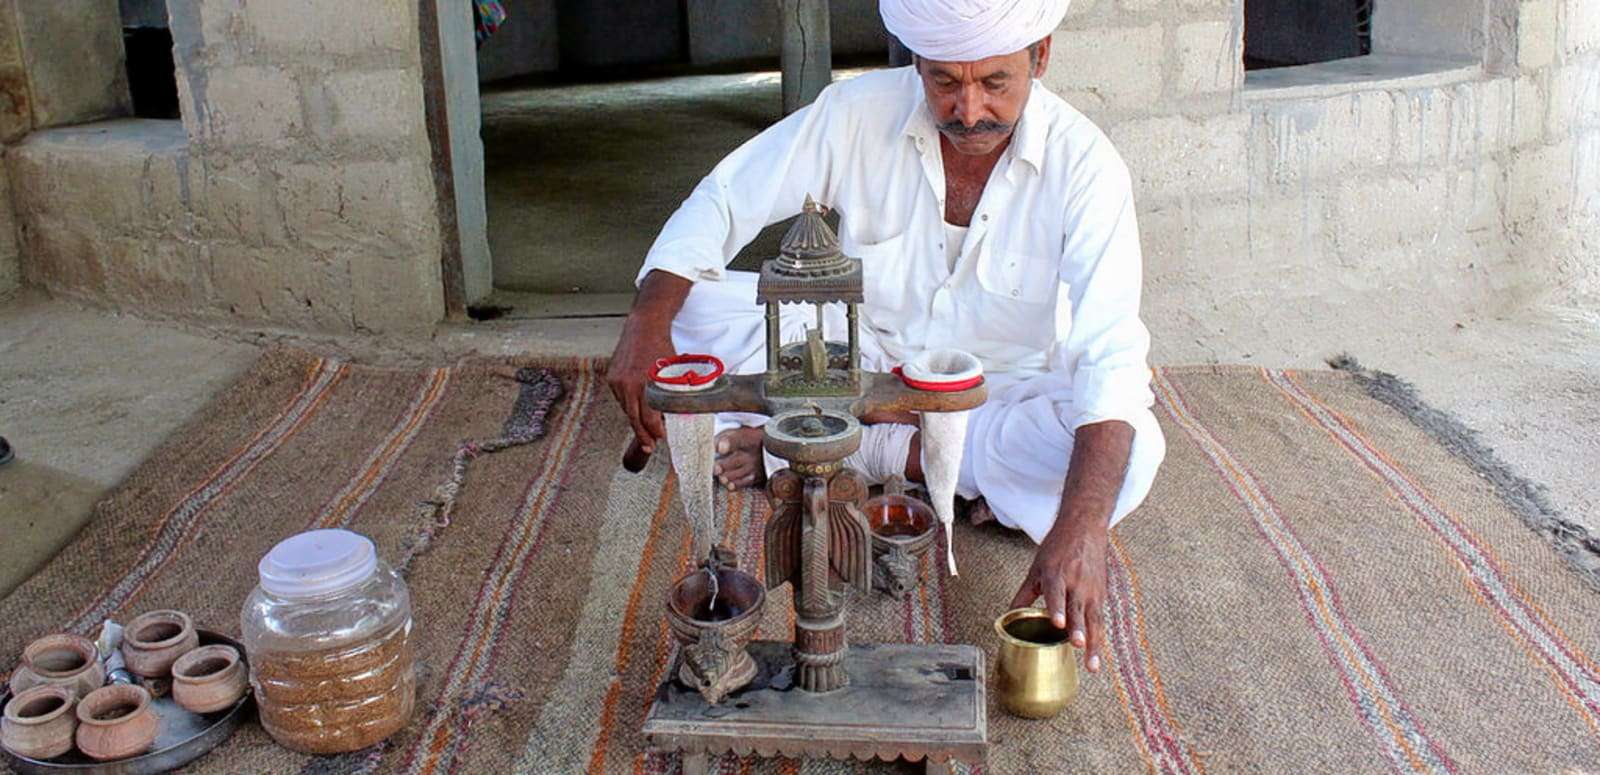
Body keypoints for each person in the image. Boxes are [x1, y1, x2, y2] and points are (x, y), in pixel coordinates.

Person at [606, 0, 1165, 674]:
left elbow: (1110, 349)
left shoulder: (1088, 168)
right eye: (943, 81)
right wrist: (646, 324)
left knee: (1126, 455)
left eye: (994, 82)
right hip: (859, 362)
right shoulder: (857, 113)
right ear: (916, 62)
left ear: (1039, 57)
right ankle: (920, 461)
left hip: (989, 393)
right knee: (689, 309)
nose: (967, 110)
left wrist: (1082, 529)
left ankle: (848, 445)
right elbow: (728, 197)